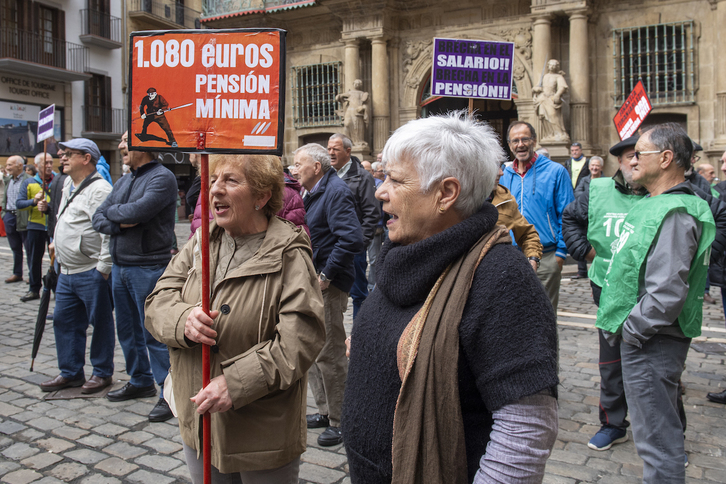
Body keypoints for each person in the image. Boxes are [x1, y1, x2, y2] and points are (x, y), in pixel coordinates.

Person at [342, 112, 559, 483]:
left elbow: (526, 428)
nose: (380, 190)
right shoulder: (406, 253)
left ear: (446, 193)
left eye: (395, 180)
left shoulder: (501, 276)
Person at [145, 154, 325, 484]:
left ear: (261, 196)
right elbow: (158, 300)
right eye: (213, 180)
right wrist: (184, 319)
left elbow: (300, 340)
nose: (215, 190)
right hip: (199, 420)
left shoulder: (289, 251)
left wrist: (236, 382)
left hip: (259, 432)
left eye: (231, 181)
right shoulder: (202, 241)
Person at [597, 123, 714, 482]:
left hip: (652, 340)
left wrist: (632, 331)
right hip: (646, 337)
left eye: (639, 154)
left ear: (665, 160)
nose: (631, 161)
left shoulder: (676, 210)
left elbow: (666, 291)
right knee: (654, 436)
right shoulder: (658, 203)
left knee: (657, 441)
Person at [92, 130, 176, 422]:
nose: (120, 147)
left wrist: (120, 215)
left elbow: (141, 210)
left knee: (154, 333)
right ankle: (140, 381)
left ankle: (169, 393)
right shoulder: (124, 179)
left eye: (126, 143)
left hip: (148, 267)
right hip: (121, 267)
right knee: (127, 330)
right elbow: (98, 217)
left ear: (145, 145)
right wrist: (122, 221)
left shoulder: (161, 177)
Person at [293, 143, 364, 447]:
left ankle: (341, 419)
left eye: (298, 164)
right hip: (312, 279)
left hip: (328, 284)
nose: (293, 169)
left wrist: (326, 275)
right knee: (311, 347)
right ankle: (325, 410)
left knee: (331, 351)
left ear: (317, 168)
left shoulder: (336, 191)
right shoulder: (312, 191)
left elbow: (351, 238)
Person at [38, 138, 115, 394]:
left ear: (86, 158)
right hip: (67, 270)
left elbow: (107, 232)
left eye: (69, 153)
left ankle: (102, 373)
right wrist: (56, 243)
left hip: (90, 269)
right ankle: (70, 372)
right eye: (62, 153)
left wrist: (103, 268)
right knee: (64, 322)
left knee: (100, 323)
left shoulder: (99, 189)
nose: (62, 157)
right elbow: (65, 218)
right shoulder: (69, 184)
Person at [499, 121, 574, 311]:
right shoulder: (504, 175)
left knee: (544, 317)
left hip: (546, 256)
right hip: (510, 256)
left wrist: (560, 254)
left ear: (534, 140)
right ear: (509, 145)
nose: (520, 144)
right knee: (512, 317)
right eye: (515, 141)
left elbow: (567, 216)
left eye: (525, 139)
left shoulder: (556, 172)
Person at [327, 133, 380, 317]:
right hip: (330, 247)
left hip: (353, 248)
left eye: (336, 149)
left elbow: (372, 214)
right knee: (330, 292)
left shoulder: (362, 177)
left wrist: (359, 244)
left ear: (348, 151)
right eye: (329, 149)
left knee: (358, 294)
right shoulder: (326, 175)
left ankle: (358, 336)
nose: (331, 153)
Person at [488, 162, 542, 269]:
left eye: (500, 166)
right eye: (494, 167)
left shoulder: (506, 199)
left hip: (498, 274)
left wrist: (532, 259)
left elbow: (528, 235)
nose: (501, 173)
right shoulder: (455, 198)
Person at [16, 155, 52, 302]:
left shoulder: (59, 180)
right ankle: (34, 289)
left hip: (53, 226)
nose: (49, 165)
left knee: (56, 260)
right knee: (34, 260)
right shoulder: (29, 182)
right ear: (37, 166)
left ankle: (57, 288)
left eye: (51, 162)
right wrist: (33, 201)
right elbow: (19, 204)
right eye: (46, 163)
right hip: (35, 226)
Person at [2, 156, 31, 283]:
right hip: (9, 216)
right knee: (15, 247)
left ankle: (32, 274)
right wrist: (4, 214)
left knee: (29, 248)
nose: (7, 168)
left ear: (20, 165)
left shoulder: (29, 180)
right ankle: (17, 273)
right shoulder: (8, 180)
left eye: (10, 165)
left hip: (24, 217)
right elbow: (5, 198)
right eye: (7, 165)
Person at [533, 59, 569, 142]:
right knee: (543, 117)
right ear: (548, 66)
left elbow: (562, 87)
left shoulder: (558, 77)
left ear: (557, 67)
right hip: (543, 98)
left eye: (554, 65)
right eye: (551, 65)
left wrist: (557, 95)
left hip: (551, 98)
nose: (552, 67)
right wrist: (537, 89)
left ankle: (559, 133)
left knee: (553, 115)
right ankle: (549, 134)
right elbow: (537, 86)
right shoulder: (545, 76)